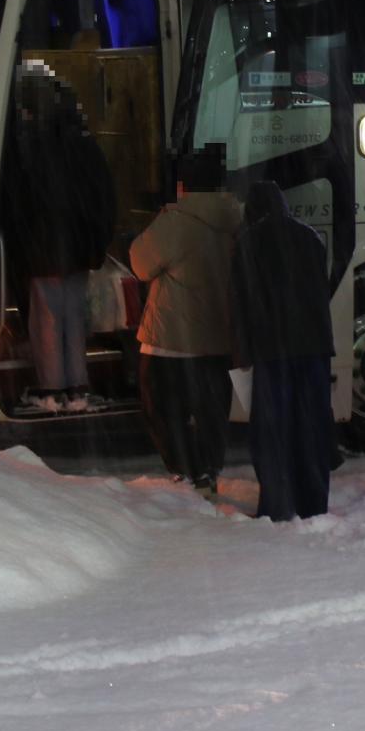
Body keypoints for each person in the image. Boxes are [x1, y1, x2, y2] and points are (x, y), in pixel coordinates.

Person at [0, 63, 115, 416]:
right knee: (73, 317)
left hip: (42, 250)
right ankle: (78, 385)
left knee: (46, 320)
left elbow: (17, 203)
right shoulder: (83, 142)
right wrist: (95, 244)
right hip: (77, 248)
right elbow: (104, 197)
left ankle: (53, 388)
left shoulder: (29, 147)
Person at [130, 144, 243, 492]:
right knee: (211, 412)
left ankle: (185, 470)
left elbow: (140, 263)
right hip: (219, 336)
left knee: (162, 409)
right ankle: (208, 470)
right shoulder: (237, 216)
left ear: (184, 186)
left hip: (171, 340)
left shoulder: (177, 220)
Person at [230, 181, 337, 521]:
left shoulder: (248, 243)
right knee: (312, 425)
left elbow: (241, 302)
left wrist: (243, 351)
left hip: (272, 348)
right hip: (314, 346)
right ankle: (314, 502)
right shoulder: (310, 238)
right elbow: (321, 289)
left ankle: (276, 504)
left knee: (273, 430)